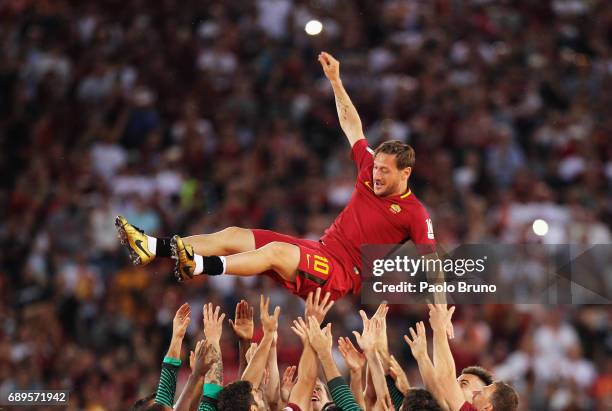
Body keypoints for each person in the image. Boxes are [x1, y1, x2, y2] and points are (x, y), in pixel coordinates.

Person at [116, 51, 436, 301]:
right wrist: (336, 82)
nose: (376, 174)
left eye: (384, 171)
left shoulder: (415, 214)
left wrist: (441, 315)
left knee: (273, 253)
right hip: (319, 250)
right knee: (232, 235)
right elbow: (353, 126)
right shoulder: (369, 168)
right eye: (376, 166)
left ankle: (199, 266)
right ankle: (152, 247)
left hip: (339, 274)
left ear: (405, 173)